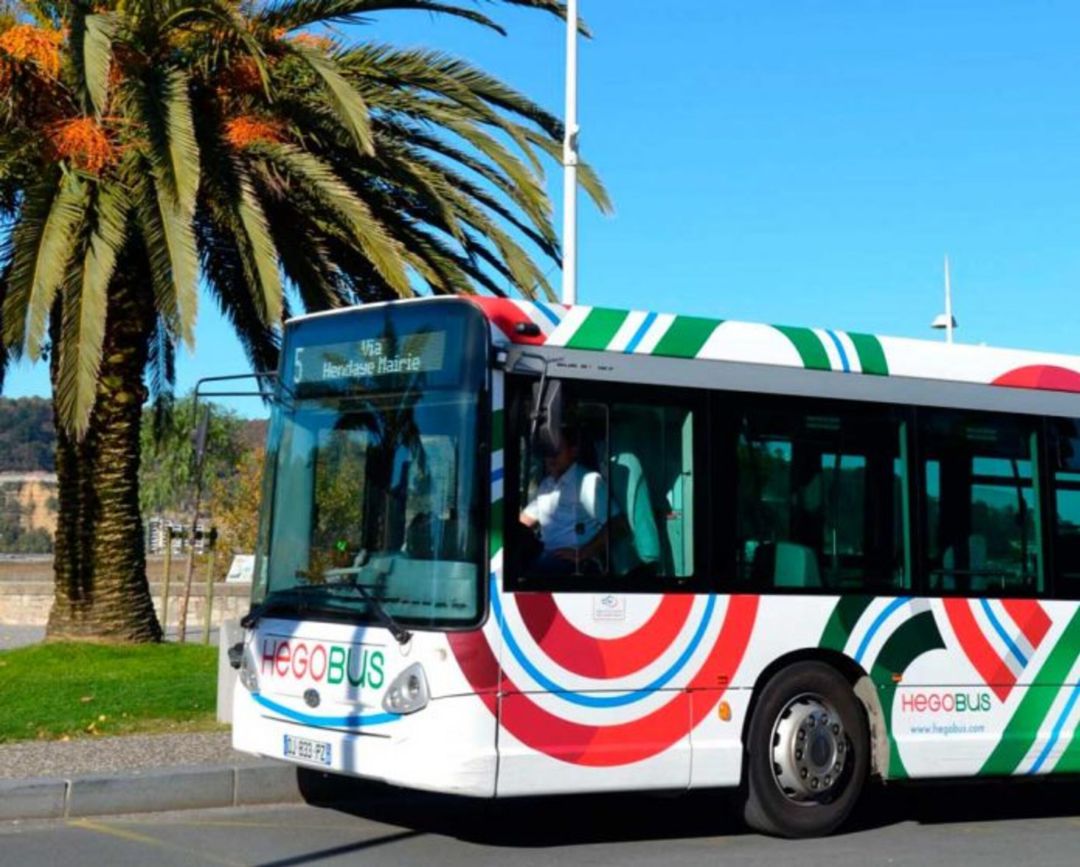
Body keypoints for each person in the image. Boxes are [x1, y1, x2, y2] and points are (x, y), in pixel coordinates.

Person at [520, 427, 619, 574]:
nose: (551, 457)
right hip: (547, 556)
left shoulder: (588, 481)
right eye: (548, 451)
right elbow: (524, 520)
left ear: (573, 451)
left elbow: (618, 523)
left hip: (577, 565)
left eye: (557, 451)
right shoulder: (546, 485)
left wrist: (583, 553)